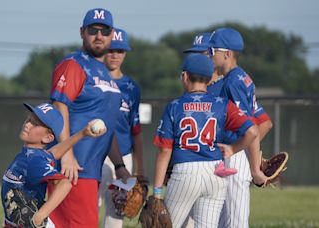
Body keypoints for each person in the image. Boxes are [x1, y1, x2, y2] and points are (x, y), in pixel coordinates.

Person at [153, 53, 260, 228]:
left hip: (185, 172)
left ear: (185, 77)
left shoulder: (174, 106)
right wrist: (233, 148)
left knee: (164, 225)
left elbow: (165, 151)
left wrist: (157, 192)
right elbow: (253, 131)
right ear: (210, 78)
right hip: (215, 174)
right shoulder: (223, 104)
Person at [48, 8, 131, 227]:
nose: (99, 36)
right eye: (93, 30)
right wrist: (67, 155)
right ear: (82, 32)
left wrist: (119, 165)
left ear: (112, 34)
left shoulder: (104, 72)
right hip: (73, 168)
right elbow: (59, 106)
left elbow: (107, 126)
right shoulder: (75, 64)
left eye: (104, 31)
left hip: (90, 171)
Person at [1, 103, 106, 227]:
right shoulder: (35, 154)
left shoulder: (35, 160)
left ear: (47, 138)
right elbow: (52, 154)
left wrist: (39, 217)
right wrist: (82, 134)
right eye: (29, 119)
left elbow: (65, 184)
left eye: (35, 124)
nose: (28, 124)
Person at [208, 27, 270, 228]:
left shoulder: (233, 81)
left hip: (233, 156)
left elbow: (249, 126)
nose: (210, 54)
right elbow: (263, 124)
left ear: (227, 54)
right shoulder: (239, 77)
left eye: (213, 50)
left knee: (235, 222)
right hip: (234, 152)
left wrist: (254, 169)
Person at [98, 28, 145, 227]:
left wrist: (140, 167)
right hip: (95, 153)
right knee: (91, 205)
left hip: (123, 156)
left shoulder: (131, 87)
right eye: (111, 50)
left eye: (120, 51)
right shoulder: (93, 80)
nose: (115, 55)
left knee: (117, 211)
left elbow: (135, 130)